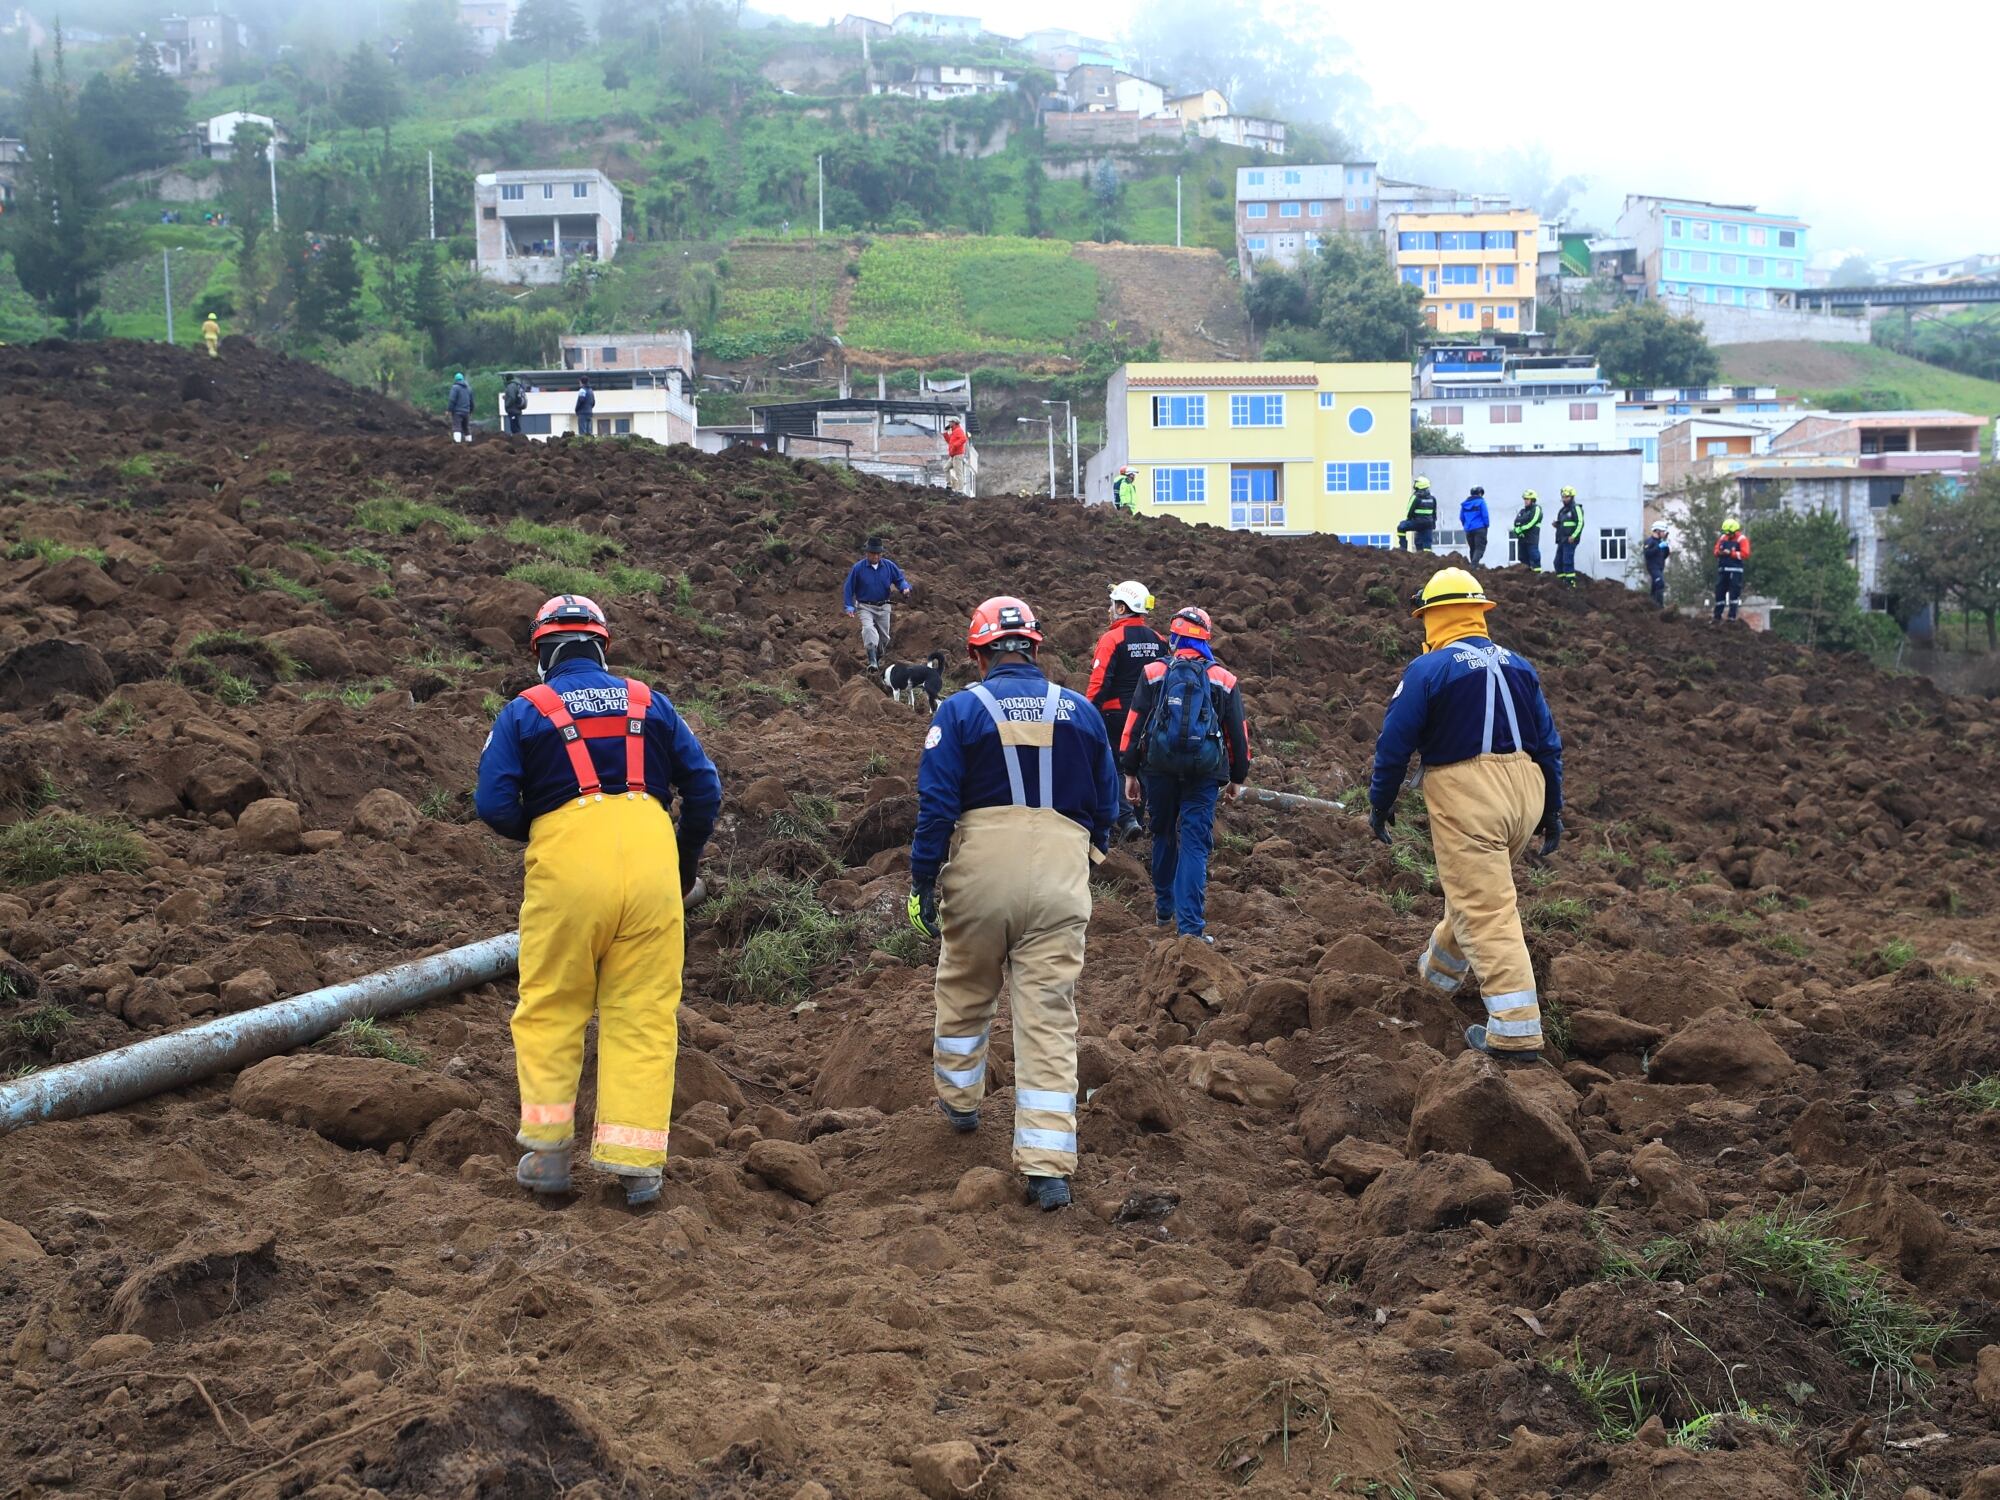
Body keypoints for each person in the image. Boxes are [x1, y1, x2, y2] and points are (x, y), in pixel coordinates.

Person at [474, 595, 724, 1206]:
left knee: (553, 1004)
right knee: (642, 1011)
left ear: (541, 654)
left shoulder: (524, 711)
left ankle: (548, 1156)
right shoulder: (650, 703)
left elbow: (493, 804)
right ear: (602, 647)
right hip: (651, 861)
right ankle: (638, 1167)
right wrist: (682, 861)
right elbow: (706, 789)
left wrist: (552, 824)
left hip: (569, 864)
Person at [908, 596, 1119, 1211]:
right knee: (1050, 1016)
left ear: (979, 654)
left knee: (965, 987)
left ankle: (961, 1104)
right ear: (1034, 647)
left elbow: (936, 806)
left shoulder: (960, 710)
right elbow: (1108, 809)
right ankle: (1049, 1168)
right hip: (1062, 868)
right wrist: (1082, 853)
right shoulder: (1080, 711)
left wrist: (924, 880)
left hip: (981, 866)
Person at [1369, 568, 1563, 1065]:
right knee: (1476, 891)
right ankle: (1436, 979)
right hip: (1526, 793)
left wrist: (1381, 800)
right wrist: (1553, 810)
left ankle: (1516, 1032)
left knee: (1487, 909)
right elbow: (1549, 743)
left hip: (1469, 793)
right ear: (1479, 612)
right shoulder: (1519, 665)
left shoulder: (1428, 669)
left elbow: (1394, 744)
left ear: (1433, 616)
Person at [1119, 606, 1252, 944]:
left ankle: (1165, 911)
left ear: (1174, 636)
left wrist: (1130, 770)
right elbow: (1238, 734)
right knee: (1194, 844)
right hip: (1204, 773)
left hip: (1158, 769)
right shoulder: (1223, 678)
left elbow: (1134, 725)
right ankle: (1191, 928)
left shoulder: (1153, 673)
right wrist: (1237, 777)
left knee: (1163, 835)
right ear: (1206, 638)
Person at [1085, 580, 1164, 842]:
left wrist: (1087, 713)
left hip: (1116, 715)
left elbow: (1099, 682)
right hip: (1149, 716)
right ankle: (1138, 821)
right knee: (1140, 766)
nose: (1109, 611)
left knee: (1116, 766)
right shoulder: (1159, 640)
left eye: (1112, 605)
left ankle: (1126, 818)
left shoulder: (1112, 639)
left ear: (1121, 607)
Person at [842, 535, 912, 669]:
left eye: (878, 554)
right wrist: (849, 606)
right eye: (873, 554)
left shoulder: (889, 566)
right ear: (867, 553)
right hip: (865, 606)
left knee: (884, 638)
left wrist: (905, 588)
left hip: (884, 606)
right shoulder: (858, 568)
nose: (875, 557)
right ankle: (872, 661)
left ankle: (878, 657)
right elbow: (848, 587)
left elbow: (899, 579)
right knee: (868, 630)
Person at [1713, 518, 1750, 622]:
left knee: (1734, 593)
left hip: (1735, 571)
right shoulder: (1723, 538)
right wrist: (1719, 553)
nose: (1727, 535)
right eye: (1726, 533)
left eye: (1729, 533)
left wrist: (1731, 553)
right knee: (1719, 592)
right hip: (1722, 570)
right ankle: (1717, 616)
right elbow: (1716, 550)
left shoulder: (1741, 539)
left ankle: (1731, 617)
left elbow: (1745, 553)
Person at [1553, 487, 1586, 587]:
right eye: (1563, 497)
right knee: (1557, 562)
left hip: (1570, 540)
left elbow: (1580, 523)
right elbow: (1563, 524)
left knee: (1567, 561)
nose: (1564, 499)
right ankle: (1563, 582)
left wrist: (1574, 536)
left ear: (1572, 497)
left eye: (1566, 497)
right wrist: (1557, 524)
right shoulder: (1562, 510)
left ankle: (1571, 583)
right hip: (1561, 540)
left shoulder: (1576, 508)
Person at [1397, 476, 1437, 553]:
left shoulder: (1415, 497)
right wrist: (1433, 524)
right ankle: (1427, 557)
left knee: (1401, 527)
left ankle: (1403, 548)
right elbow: (1434, 513)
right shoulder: (1432, 498)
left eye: (1416, 482)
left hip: (1417, 522)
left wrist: (1409, 520)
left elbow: (1409, 511)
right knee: (1426, 543)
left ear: (1420, 485)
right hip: (1428, 524)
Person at [1510, 490, 1544, 572]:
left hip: (1531, 538)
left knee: (1534, 556)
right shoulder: (1522, 511)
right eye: (1525, 499)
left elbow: (1532, 522)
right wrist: (1518, 530)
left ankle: (1537, 575)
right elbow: (1516, 522)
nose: (1525, 501)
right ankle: (1526, 575)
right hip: (1522, 539)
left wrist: (1521, 529)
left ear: (1533, 500)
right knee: (1522, 557)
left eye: (1527, 499)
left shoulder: (1536, 509)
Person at [1460, 485, 1491, 568]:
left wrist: (1466, 526)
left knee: (1472, 548)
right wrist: (1486, 525)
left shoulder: (1465, 504)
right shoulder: (1481, 502)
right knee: (1479, 548)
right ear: (1480, 493)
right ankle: (1473, 566)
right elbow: (1485, 515)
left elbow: (1461, 517)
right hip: (1480, 528)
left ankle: (1473, 565)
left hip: (1469, 530)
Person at [1643, 523, 1671, 608]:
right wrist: (1658, 547)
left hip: (1660, 567)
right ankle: (1659, 606)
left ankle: (1651, 605)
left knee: (1655, 587)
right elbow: (1647, 554)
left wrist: (1666, 547)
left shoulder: (1661, 542)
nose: (1664, 533)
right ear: (1657, 531)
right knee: (1660, 583)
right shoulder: (1649, 541)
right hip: (1653, 567)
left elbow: (1665, 555)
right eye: (1663, 531)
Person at [944, 417, 970, 493]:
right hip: (953, 455)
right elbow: (950, 442)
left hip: (957, 455)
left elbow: (964, 439)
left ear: (954, 422)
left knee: (958, 473)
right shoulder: (954, 431)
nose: (949, 423)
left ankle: (960, 490)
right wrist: (945, 434)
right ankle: (949, 485)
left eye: (950, 422)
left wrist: (955, 445)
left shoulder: (958, 430)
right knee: (946, 468)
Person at [447, 372, 474, 443]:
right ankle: (469, 443)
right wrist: (470, 411)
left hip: (457, 412)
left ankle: (457, 444)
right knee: (466, 428)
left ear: (455, 380)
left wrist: (449, 410)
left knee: (457, 428)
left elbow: (452, 400)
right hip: (466, 412)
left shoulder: (455, 388)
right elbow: (471, 401)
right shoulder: (469, 389)